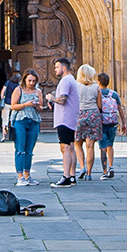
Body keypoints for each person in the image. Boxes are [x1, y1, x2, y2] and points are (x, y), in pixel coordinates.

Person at [10, 69, 43, 186]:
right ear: (24, 80)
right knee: (20, 149)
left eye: (34, 81)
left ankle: (27, 175)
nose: (32, 83)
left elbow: (41, 109)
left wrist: (37, 106)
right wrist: (26, 104)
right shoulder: (18, 90)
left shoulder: (38, 91)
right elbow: (13, 106)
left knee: (29, 150)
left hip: (33, 121)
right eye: (29, 80)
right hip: (20, 121)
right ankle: (20, 177)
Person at [50, 57, 79, 186]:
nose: (55, 70)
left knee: (65, 147)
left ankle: (66, 176)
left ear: (63, 68)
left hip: (64, 119)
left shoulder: (65, 81)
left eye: (56, 67)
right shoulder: (71, 79)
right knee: (71, 147)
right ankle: (72, 176)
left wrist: (51, 98)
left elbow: (62, 100)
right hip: (71, 118)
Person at [72, 64, 103, 180]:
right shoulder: (96, 87)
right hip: (93, 115)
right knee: (90, 146)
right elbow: (100, 105)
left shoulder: (76, 86)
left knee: (77, 143)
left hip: (79, 114)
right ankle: (89, 174)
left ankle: (82, 167)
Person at [97, 72, 125, 178]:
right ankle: (111, 166)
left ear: (99, 82)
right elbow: (120, 109)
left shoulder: (97, 93)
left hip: (101, 123)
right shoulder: (114, 94)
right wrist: (124, 123)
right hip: (113, 122)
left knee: (102, 146)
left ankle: (104, 171)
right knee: (110, 145)